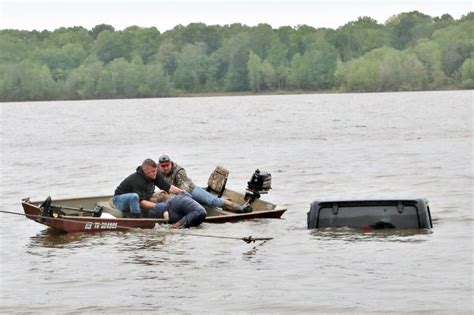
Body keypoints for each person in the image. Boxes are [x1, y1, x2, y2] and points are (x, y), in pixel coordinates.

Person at [156, 154, 244, 212]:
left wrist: (173, 197)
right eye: (163, 166)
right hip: (173, 194)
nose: (166, 168)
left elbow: (184, 188)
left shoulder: (179, 171)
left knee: (211, 201)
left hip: (190, 190)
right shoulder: (156, 171)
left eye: (167, 165)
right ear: (159, 165)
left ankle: (234, 206)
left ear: (170, 163)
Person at [112, 158, 183, 218]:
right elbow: (141, 202)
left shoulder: (155, 173)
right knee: (134, 197)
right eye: (152, 171)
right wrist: (157, 206)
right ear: (145, 171)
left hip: (142, 198)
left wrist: (182, 192)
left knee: (163, 195)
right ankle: (136, 217)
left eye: (156, 170)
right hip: (119, 200)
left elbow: (168, 187)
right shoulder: (137, 180)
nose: (155, 173)